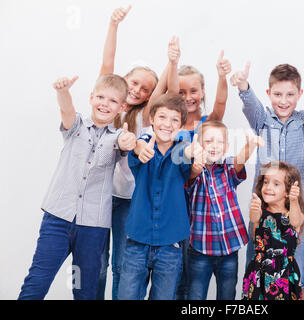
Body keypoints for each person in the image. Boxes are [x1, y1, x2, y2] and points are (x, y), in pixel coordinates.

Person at [230, 62, 304, 299]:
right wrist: (243, 84)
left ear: (299, 95)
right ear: (269, 94)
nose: (284, 100)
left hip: (294, 208)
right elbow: (250, 103)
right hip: (264, 208)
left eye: (290, 94)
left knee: (299, 271)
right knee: (257, 265)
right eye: (278, 94)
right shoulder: (262, 120)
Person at [18, 73, 136, 300]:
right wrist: (63, 92)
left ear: (121, 107)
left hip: (93, 227)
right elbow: (67, 111)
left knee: (85, 287)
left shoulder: (119, 136)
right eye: (100, 97)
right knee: (39, 278)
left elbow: (125, 144)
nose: (105, 103)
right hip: (58, 219)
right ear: (91, 97)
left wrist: (127, 142)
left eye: (113, 101)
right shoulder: (77, 126)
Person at [96, 6, 174, 300]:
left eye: (145, 89)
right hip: (99, 195)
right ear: (123, 80)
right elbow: (107, 63)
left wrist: (171, 61)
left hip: (128, 200)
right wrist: (113, 24)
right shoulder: (108, 106)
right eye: (134, 83)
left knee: (121, 264)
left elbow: (163, 88)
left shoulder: (144, 118)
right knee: (95, 262)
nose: (138, 90)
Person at [117, 93, 200, 300]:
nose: (167, 124)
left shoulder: (182, 150)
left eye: (175, 120)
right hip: (137, 240)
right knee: (127, 295)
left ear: (181, 125)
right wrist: (137, 147)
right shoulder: (143, 146)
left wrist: (194, 152)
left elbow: (185, 155)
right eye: (162, 117)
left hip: (170, 245)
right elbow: (138, 150)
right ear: (152, 119)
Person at [168, 38, 232, 299]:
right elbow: (171, 95)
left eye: (193, 91)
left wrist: (222, 77)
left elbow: (220, 104)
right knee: (177, 275)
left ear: (202, 91)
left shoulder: (208, 124)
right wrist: (172, 62)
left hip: (201, 211)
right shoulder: (172, 125)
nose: (188, 97)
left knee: (193, 271)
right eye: (182, 93)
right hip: (175, 207)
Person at [185, 120, 264, 300]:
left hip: (229, 251)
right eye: (209, 141)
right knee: (195, 295)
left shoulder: (227, 168)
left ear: (226, 146)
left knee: (227, 296)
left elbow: (239, 160)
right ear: (198, 144)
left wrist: (250, 145)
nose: (214, 146)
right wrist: (194, 170)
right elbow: (188, 180)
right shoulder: (193, 170)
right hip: (199, 250)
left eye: (220, 142)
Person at [242, 161, 304, 300]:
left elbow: (296, 222)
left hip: (284, 274)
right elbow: (254, 221)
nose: (268, 187)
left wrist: (294, 200)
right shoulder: (260, 213)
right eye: (266, 182)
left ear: (288, 191)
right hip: (259, 272)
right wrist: (254, 210)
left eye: (276, 184)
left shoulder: (293, 214)